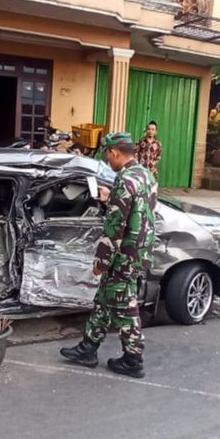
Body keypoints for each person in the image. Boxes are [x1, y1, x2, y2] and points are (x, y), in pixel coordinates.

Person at [60, 132, 157, 378]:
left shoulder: (124, 181)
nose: (107, 160)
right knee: (104, 299)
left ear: (115, 153)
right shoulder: (145, 174)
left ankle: (133, 359)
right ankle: (88, 348)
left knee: (125, 306)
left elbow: (115, 226)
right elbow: (140, 211)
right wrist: (110, 198)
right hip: (139, 251)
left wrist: (101, 261)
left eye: (107, 155)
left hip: (124, 254)